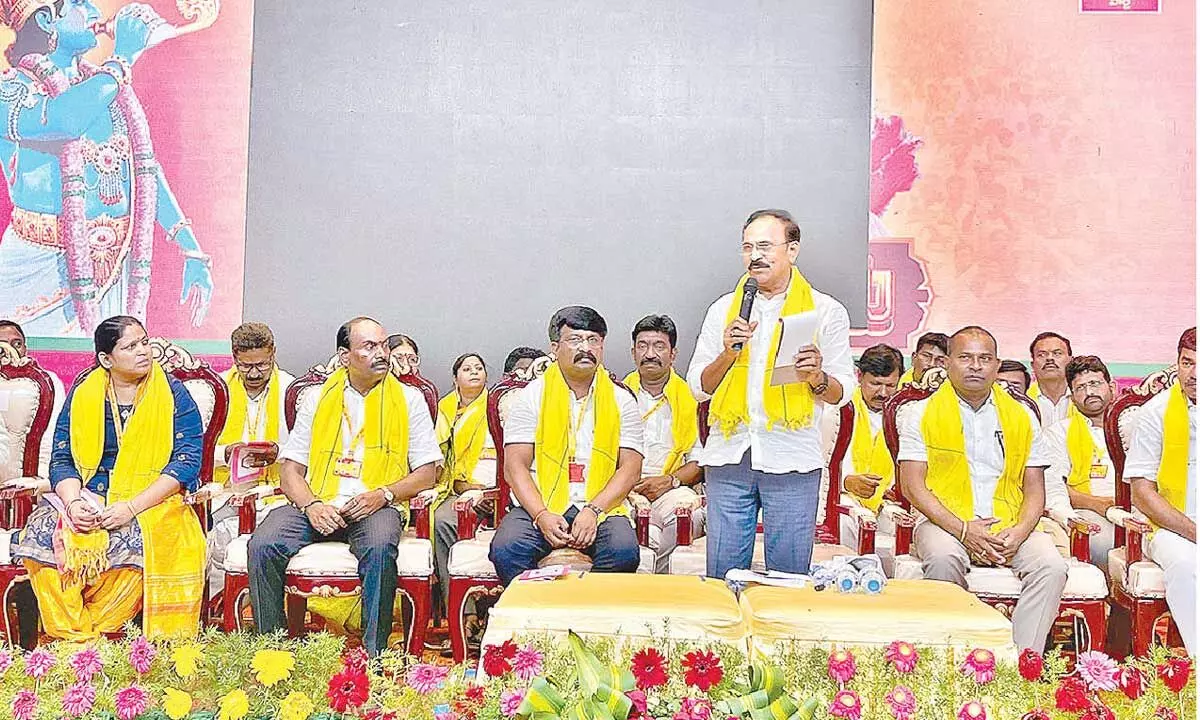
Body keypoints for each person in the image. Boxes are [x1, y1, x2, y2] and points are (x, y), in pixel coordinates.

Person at [0, 0, 213, 335]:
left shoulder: (104, 87)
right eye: (79, 2)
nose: (95, 11)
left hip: (115, 267)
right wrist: (122, 58)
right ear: (45, 19)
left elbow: (143, 170)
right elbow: (63, 120)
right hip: (38, 270)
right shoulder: (11, 90)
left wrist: (191, 249)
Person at [247, 317, 441, 657]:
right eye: (369, 346)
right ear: (344, 355)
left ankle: (374, 656)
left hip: (375, 504)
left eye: (383, 345)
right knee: (263, 544)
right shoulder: (316, 398)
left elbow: (428, 472)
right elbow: (290, 470)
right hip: (318, 503)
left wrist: (384, 494)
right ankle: (272, 652)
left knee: (380, 548)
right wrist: (311, 505)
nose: (382, 353)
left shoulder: (409, 399)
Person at [11, 315, 206, 640]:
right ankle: (75, 638)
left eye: (145, 342)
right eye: (131, 347)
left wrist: (130, 507)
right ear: (106, 359)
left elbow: (186, 462)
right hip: (89, 495)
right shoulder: (84, 393)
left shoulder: (173, 394)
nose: (144, 351)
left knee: (139, 541)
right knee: (42, 533)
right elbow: (63, 458)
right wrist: (73, 503)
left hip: (151, 500)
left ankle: (88, 641)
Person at [686, 209, 855, 579]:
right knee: (723, 578)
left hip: (791, 457)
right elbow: (698, 387)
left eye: (764, 246)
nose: (755, 256)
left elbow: (842, 393)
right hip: (730, 455)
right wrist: (727, 354)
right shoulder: (724, 310)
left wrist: (817, 377)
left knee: (788, 580)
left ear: (792, 250)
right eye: (747, 247)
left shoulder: (825, 311)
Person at [898, 326, 1065, 651]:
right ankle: (951, 660)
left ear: (996, 365)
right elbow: (912, 486)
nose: (975, 366)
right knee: (944, 558)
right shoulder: (920, 413)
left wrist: (1019, 532)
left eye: (984, 359)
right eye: (965, 358)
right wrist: (964, 530)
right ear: (947, 363)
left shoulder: (1021, 416)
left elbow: (1035, 489)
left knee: (1052, 567)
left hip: (1010, 523)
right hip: (944, 523)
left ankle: (1019, 664)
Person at [489, 306, 643, 584]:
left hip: (602, 505)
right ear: (555, 347)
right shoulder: (531, 397)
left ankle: (585, 610)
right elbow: (515, 467)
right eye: (575, 340)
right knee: (507, 549)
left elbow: (630, 468)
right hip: (540, 503)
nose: (585, 348)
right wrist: (541, 515)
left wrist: (593, 510)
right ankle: (540, 611)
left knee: (623, 552)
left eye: (593, 340)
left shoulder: (621, 400)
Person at [207, 323, 294, 596]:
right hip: (227, 492)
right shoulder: (216, 391)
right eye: (246, 366)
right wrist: (225, 454)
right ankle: (219, 605)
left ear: (273, 353)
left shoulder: (292, 391)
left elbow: (310, 450)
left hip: (278, 493)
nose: (254, 373)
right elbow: (196, 449)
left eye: (262, 365)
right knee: (210, 532)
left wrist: (277, 452)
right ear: (234, 357)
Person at [1126, 327, 1196, 655]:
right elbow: (1141, 493)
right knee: (1186, 565)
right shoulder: (1155, 413)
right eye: (1187, 363)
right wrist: (1194, 531)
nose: (1193, 374)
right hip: (1170, 528)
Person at [623, 315, 703, 573]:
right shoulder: (615, 395)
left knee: (687, 514)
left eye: (659, 346)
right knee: (619, 522)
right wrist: (625, 484)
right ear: (633, 353)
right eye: (643, 346)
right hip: (622, 487)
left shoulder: (692, 399)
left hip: (671, 487)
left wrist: (669, 481)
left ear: (673, 354)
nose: (650, 354)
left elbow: (699, 460)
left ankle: (660, 582)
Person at [432, 353, 496, 638]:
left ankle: (492, 617)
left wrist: (487, 491)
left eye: (479, 368)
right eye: (467, 369)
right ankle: (462, 616)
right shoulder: (445, 409)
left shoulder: (497, 406)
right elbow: (437, 455)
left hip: (494, 490)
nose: (474, 372)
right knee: (442, 521)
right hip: (456, 488)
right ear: (455, 378)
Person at [1040, 356, 1117, 567]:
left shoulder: (1134, 424)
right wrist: (1098, 505)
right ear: (1072, 398)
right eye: (1080, 388)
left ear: (1112, 387)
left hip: (1141, 509)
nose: (1089, 392)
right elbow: (1053, 486)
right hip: (1090, 512)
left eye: (1095, 384)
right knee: (1103, 543)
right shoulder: (1059, 433)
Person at [834, 344, 903, 559]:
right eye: (875, 384)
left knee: (903, 524)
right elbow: (822, 462)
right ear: (859, 376)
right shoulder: (838, 409)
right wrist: (846, 482)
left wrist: (900, 487)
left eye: (890, 385)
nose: (883, 393)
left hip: (886, 501)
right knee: (845, 521)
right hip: (842, 494)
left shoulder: (905, 414)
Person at [0, 319, 66, 477]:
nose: (10, 351)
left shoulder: (46, 383)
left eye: (17, 344)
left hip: (31, 474)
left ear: (25, 348)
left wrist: (41, 477)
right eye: (2, 346)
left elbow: (51, 434)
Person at [1028, 332, 1074, 426]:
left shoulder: (1083, 398)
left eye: (1057, 353)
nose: (1049, 358)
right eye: (1041, 355)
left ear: (1071, 361)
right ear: (1032, 365)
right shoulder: (1023, 401)